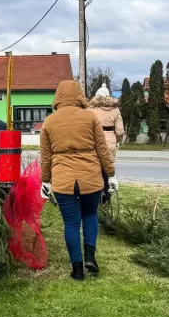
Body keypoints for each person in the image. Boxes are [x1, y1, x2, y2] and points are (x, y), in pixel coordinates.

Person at [39, 80, 117, 280]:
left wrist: (45, 182)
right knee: (90, 215)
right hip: (90, 176)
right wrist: (111, 174)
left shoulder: (49, 122)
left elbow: (46, 157)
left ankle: (77, 269)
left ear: (58, 97)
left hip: (63, 180)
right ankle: (90, 256)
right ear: (79, 95)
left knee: (71, 224)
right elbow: (102, 150)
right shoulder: (90, 118)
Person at [88, 84, 125, 160]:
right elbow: (120, 131)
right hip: (110, 142)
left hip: (94, 142)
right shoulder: (116, 110)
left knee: (94, 168)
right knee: (108, 168)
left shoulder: (90, 110)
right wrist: (116, 140)